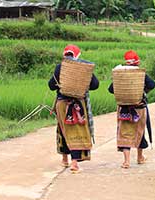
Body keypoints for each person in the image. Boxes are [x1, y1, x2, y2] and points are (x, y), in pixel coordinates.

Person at [48, 44, 99, 173]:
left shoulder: (60, 67)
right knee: (77, 132)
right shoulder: (83, 67)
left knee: (63, 129)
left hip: (61, 104)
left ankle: (65, 159)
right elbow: (95, 85)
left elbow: (51, 86)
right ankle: (75, 163)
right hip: (77, 105)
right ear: (77, 55)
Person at [108, 50, 155, 169]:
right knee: (140, 131)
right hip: (139, 108)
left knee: (125, 133)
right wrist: (142, 90)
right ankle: (140, 157)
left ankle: (126, 161)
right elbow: (152, 84)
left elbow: (110, 89)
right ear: (136, 62)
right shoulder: (140, 74)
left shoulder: (120, 73)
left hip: (124, 109)